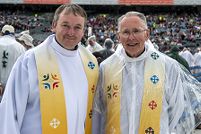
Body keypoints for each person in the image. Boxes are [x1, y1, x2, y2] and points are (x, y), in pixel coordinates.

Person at [92, 11, 201, 134]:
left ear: (147, 34)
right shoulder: (107, 67)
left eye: (136, 31)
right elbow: (100, 111)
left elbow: (177, 111)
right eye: (126, 32)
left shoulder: (167, 66)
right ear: (118, 37)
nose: (131, 37)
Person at [0, 4, 99, 134]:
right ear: (53, 25)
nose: (71, 32)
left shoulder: (90, 63)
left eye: (77, 27)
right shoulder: (31, 60)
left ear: (83, 31)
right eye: (65, 25)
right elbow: (9, 111)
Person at [0, 24, 25, 101]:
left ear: (2, 33)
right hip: (11, 87)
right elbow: (22, 71)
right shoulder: (20, 47)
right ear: (13, 34)